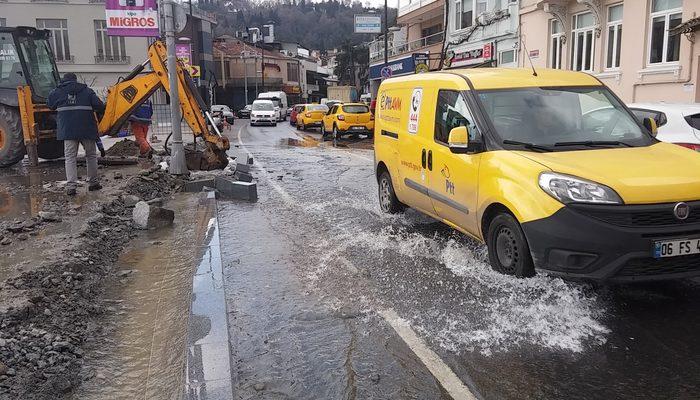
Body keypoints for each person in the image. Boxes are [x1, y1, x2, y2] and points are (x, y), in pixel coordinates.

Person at [47, 73, 105, 196]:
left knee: (70, 158)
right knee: (91, 156)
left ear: (64, 80)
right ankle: (93, 183)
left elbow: (50, 105)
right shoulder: (87, 91)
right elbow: (100, 106)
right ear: (75, 80)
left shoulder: (57, 92)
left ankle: (71, 187)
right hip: (87, 129)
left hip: (68, 131)